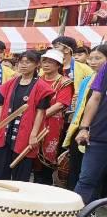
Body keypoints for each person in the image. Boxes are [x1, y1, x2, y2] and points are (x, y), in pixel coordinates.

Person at [0, 51, 53, 181]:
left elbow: (41, 113)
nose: (23, 65)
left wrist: (34, 134)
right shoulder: (9, 84)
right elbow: (1, 108)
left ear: (37, 65)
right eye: (21, 62)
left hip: (26, 132)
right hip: (5, 131)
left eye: (28, 62)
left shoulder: (42, 87)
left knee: (21, 173)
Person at [63, 45, 105, 190]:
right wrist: (82, 127)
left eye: (98, 58)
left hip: (98, 130)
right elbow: (89, 100)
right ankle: (78, 208)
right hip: (91, 130)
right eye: (91, 58)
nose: (93, 62)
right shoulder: (92, 77)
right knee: (82, 175)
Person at [74, 44, 107, 204]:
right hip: (100, 134)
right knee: (86, 180)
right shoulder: (106, 68)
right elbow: (95, 97)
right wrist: (84, 128)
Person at [35, 48, 74, 185]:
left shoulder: (65, 82)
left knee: (47, 157)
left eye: (51, 62)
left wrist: (39, 116)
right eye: (44, 61)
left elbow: (60, 104)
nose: (46, 64)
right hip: (33, 121)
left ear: (58, 65)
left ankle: (44, 184)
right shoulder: (37, 80)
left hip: (51, 123)